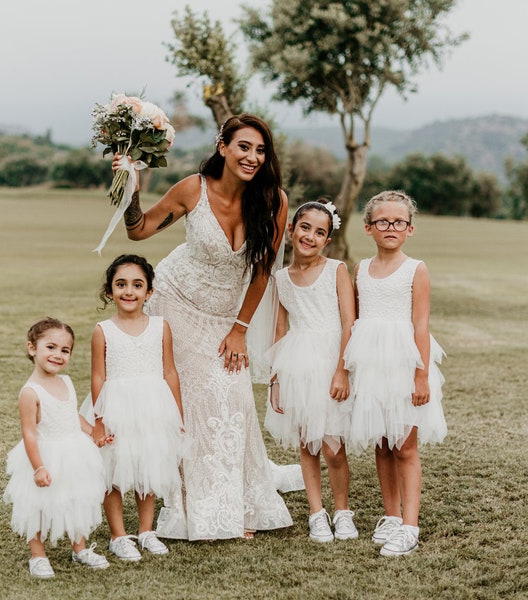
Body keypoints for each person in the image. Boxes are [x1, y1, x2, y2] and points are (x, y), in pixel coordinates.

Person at [112, 113, 293, 540]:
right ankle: (197, 507)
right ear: (223, 147)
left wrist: (240, 328)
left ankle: (240, 503)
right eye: (243, 147)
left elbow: (263, 272)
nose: (252, 157)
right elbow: (138, 231)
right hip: (175, 303)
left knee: (233, 403)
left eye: (260, 150)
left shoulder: (274, 200)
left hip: (224, 318)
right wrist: (130, 190)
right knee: (190, 406)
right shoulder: (194, 189)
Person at [344, 190, 447, 556]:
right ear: (369, 227)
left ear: (410, 229)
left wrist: (420, 376)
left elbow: (420, 324)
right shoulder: (361, 270)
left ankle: (410, 525)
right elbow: (355, 321)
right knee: (382, 442)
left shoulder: (415, 269)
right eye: (383, 221)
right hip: (371, 365)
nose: (391, 227)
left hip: (405, 364)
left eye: (398, 222)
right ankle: (390, 516)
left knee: (404, 446)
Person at [264, 200, 358, 543]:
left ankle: (342, 511)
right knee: (307, 443)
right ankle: (316, 513)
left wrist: (342, 371)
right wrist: (275, 380)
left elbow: (349, 323)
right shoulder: (281, 279)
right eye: (305, 228)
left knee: (334, 445)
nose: (310, 236)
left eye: (320, 232)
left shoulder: (336, 269)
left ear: (327, 240)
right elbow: (279, 331)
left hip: (332, 361)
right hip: (297, 365)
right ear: (291, 230)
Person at [89, 254, 185, 559]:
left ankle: (146, 531)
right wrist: (99, 420)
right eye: (121, 284)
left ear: (149, 292)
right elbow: (98, 376)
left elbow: (169, 371)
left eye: (137, 285)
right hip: (115, 407)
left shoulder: (160, 326)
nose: (129, 291)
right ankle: (119, 536)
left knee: (148, 466)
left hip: (153, 407)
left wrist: (177, 415)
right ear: (110, 291)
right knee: (112, 470)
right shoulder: (103, 330)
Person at [4, 318, 109, 579]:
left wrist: (93, 433)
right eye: (50, 347)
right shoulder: (30, 392)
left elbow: (71, 415)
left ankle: (80, 549)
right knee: (38, 505)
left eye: (65, 350)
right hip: (46, 454)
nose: (58, 355)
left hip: (74, 452)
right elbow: (29, 432)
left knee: (77, 498)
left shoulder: (67, 382)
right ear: (32, 348)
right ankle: (38, 556)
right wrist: (38, 466)